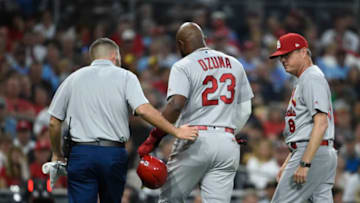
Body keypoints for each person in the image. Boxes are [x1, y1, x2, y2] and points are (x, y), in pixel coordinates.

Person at [47, 37, 198, 203]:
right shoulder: (126, 77)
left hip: (81, 153)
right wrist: (176, 130)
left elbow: (54, 122)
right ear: (114, 55)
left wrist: (57, 153)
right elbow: (143, 110)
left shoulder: (73, 79)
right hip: (112, 153)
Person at [138, 22, 253, 202]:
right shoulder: (235, 63)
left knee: (170, 200)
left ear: (181, 45)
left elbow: (175, 105)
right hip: (228, 142)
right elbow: (246, 109)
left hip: (195, 139)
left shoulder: (183, 65)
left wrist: (155, 137)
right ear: (204, 40)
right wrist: (226, 132)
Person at [268, 33, 337, 202]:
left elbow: (321, 123)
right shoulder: (304, 79)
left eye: (287, 54)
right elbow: (303, 128)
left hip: (312, 153)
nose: (283, 60)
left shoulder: (311, 77)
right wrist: (288, 162)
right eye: (280, 56)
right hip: (317, 151)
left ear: (304, 52)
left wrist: (305, 163)